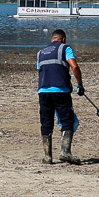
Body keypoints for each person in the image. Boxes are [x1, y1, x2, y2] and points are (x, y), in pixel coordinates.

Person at [35, 27, 85, 165]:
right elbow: (74, 66)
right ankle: (65, 152)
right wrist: (80, 84)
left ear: (52, 39)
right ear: (63, 39)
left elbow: (40, 71)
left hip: (43, 91)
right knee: (67, 120)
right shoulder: (65, 48)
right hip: (60, 90)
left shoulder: (40, 53)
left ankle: (47, 157)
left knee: (46, 122)